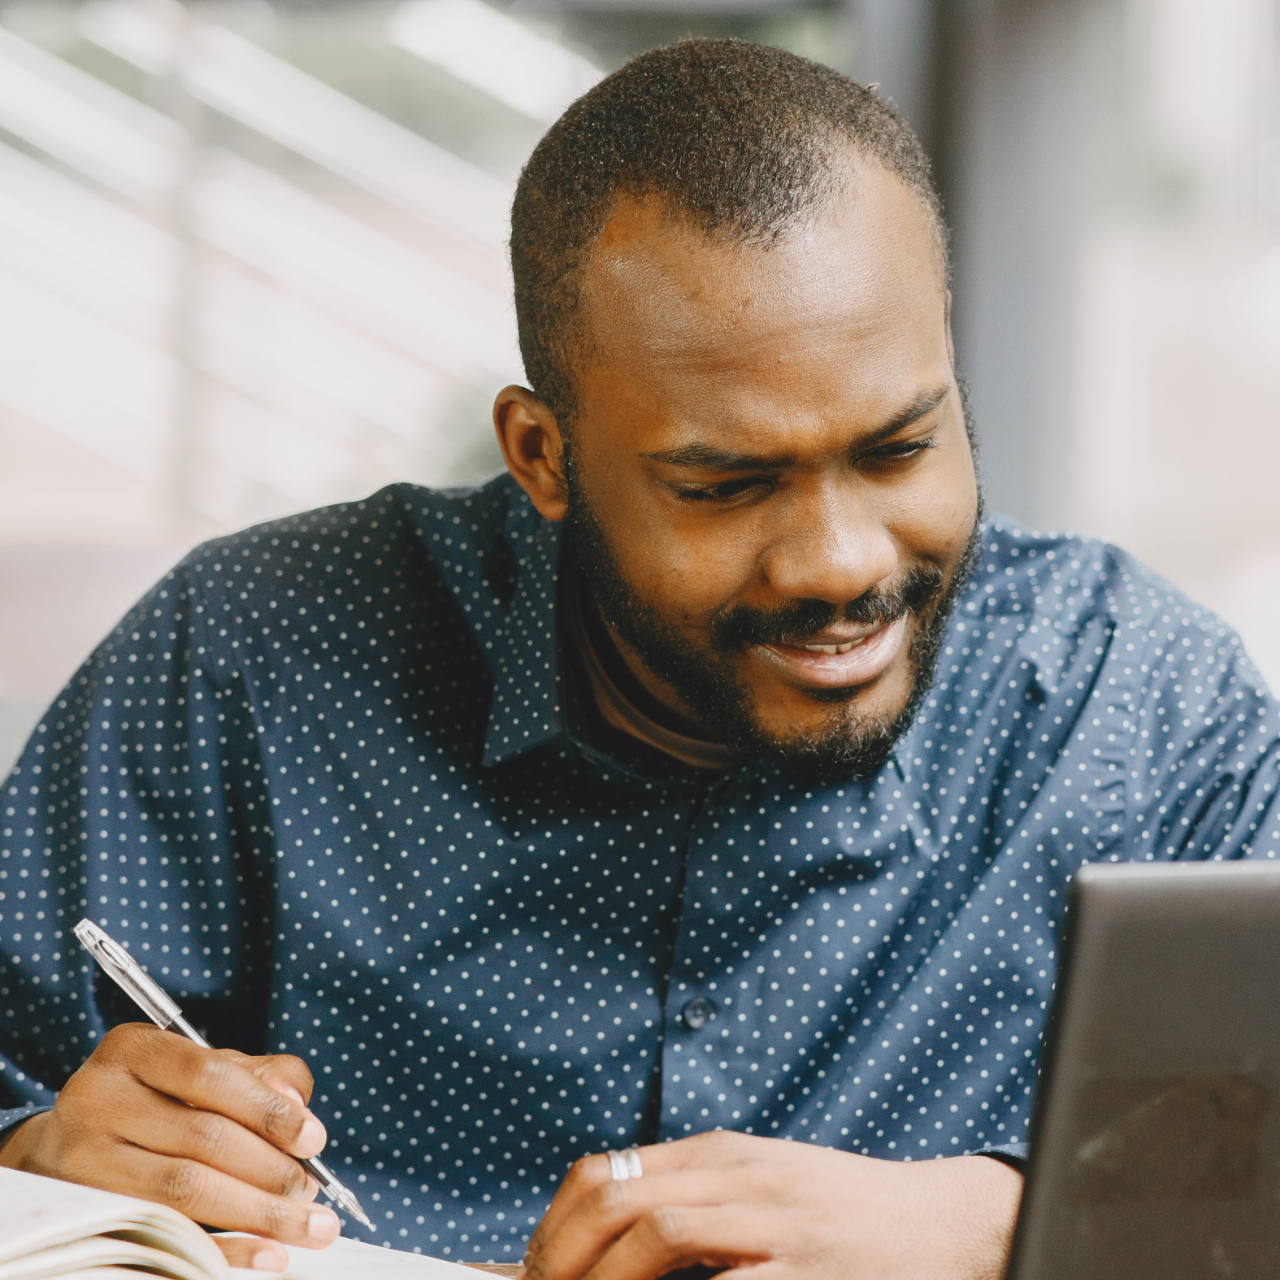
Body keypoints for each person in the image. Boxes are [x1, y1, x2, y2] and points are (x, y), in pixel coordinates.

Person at [1, 36, 1277, 1280]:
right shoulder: (251, 652)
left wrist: (1006, 1228)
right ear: (541, 455)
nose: (838, 561)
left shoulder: (1137, 703)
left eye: (897, 448)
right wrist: (37, 1151)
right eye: (725, 483)